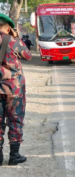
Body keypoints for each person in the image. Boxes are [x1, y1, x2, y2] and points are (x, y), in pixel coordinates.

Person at [0, 13, 32, 165]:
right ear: (8, 28)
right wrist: (16, 38)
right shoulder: (13, 41)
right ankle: (14, 155)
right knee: (15, 120)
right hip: (14, 90)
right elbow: (28, 55)